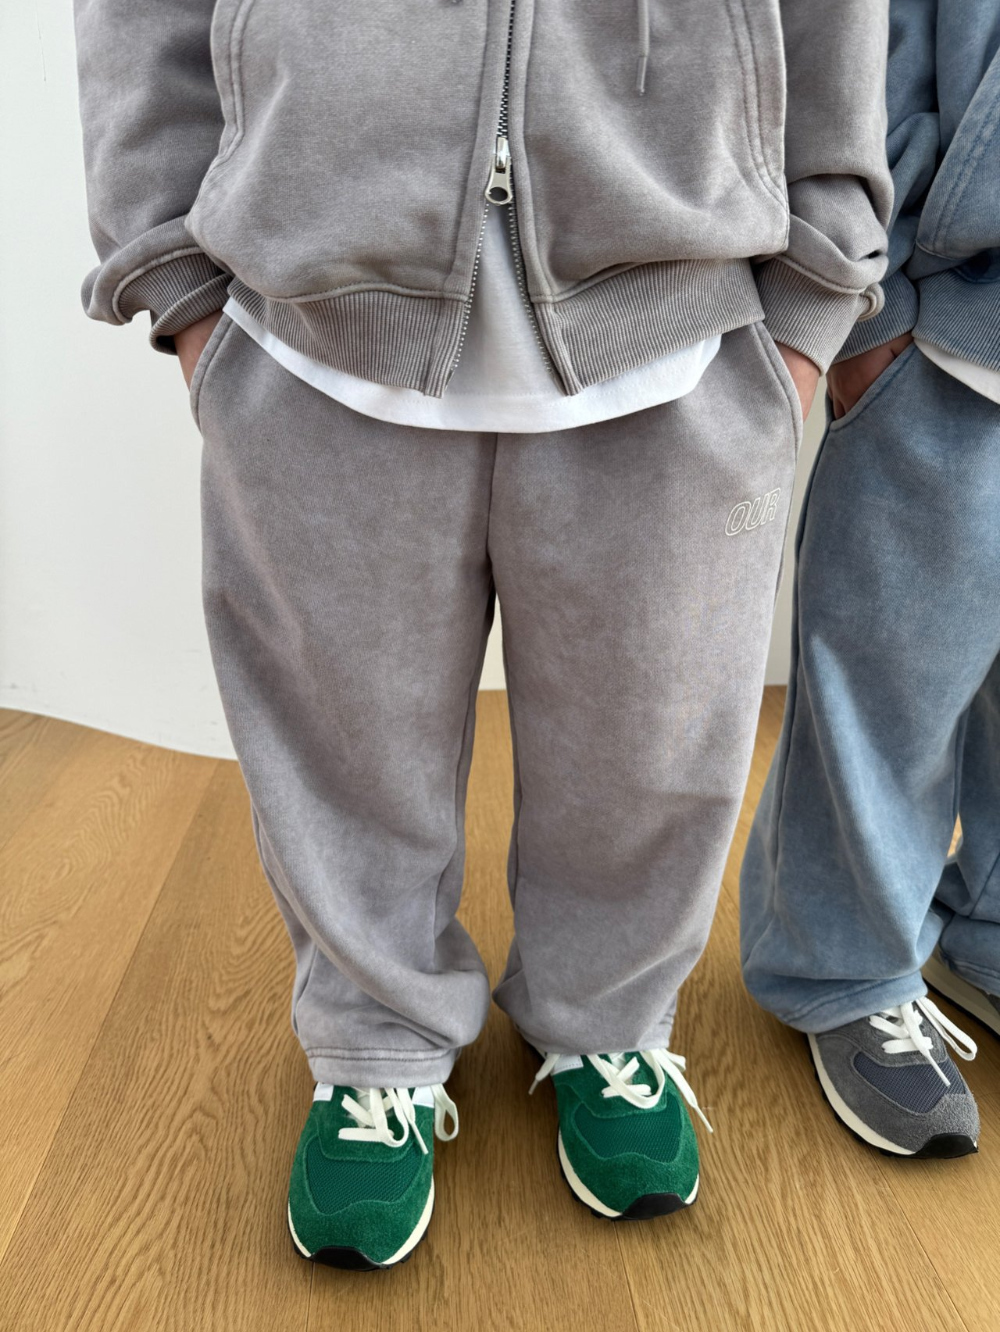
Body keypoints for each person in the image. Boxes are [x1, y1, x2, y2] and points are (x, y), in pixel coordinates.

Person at [74, 0, 890, 1268]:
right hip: (313, 329)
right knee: (341, 744)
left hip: (678, 326)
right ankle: (373, 1045)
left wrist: (812, 288)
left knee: (654, 742)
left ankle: (608, 1028)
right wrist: (176, 284)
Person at [741, 0, 1000, 1162]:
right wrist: (865, 315)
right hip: (949, 321)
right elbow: (868, 43)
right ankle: (842, 967)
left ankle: (987, 928)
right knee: (887, 685)